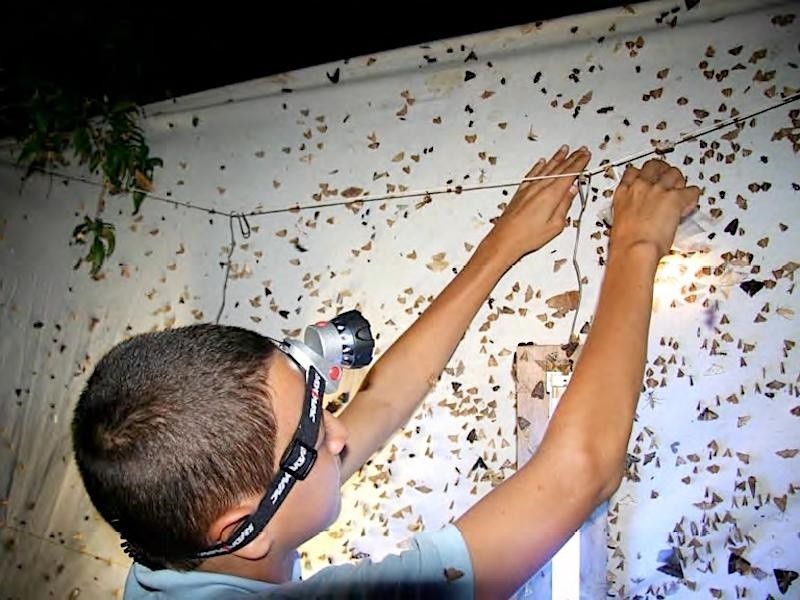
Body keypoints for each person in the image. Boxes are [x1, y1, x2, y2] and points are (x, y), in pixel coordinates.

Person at [72, 146, 699, 599]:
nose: (340, 432)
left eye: (318, 406)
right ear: (242, 528)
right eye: (313, 439)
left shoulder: (175, 541)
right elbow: (580, 474)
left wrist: (503, 244)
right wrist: (636, 245)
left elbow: (383, 401)